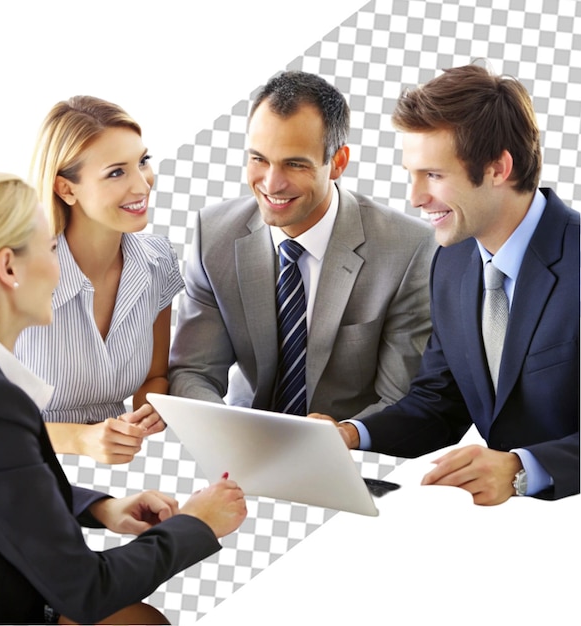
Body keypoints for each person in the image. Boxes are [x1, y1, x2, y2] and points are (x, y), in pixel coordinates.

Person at [0, 171, 247, 624]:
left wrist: (98, 506)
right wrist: (198, 523)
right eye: (52, 250)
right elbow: (86, 589)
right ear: (8, 268)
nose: (62, 267)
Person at [317, 63, 579, 505]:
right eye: (412, 174)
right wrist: (347, 434)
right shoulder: (451, 262)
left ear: (498, 168)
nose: (415, 197)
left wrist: (522, 469)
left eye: (434, 175)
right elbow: (440, 404)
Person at [169, 71, 436, 419]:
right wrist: (229, 432)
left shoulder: (408, 249)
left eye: (294, 164)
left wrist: (339, 436)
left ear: (337, 162)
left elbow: (399, 400)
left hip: (349, 454)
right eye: (259, 159)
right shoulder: (214, 235)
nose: (271, 183)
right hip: (243, 448)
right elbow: (193, 372)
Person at [15, 96, 183, 464]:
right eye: (116, 172)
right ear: (66, 189)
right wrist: (78, 439)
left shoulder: (157, 262)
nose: (142, 186)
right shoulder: (13, 274)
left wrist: (151, 408)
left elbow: (154, 376)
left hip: (121, 468)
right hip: (18, 468)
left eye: (143, 162)